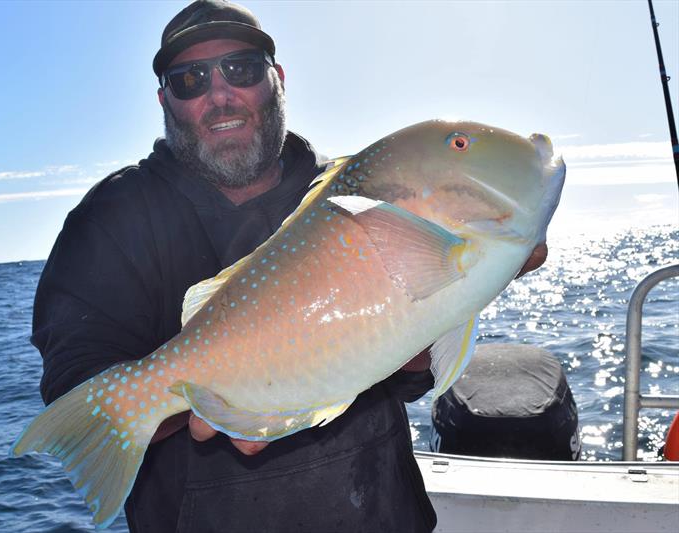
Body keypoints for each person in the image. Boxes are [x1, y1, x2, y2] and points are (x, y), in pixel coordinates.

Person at [31, 1, 548, 531]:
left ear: (277, 79)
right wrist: (217, 396)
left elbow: (408, 373)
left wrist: (441, 305)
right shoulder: (111, 220)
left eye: (242, 69)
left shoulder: (355, 191)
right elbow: (78, 390)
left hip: (382, 513)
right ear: (165, 100)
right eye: (189, 79)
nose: (219, 93)